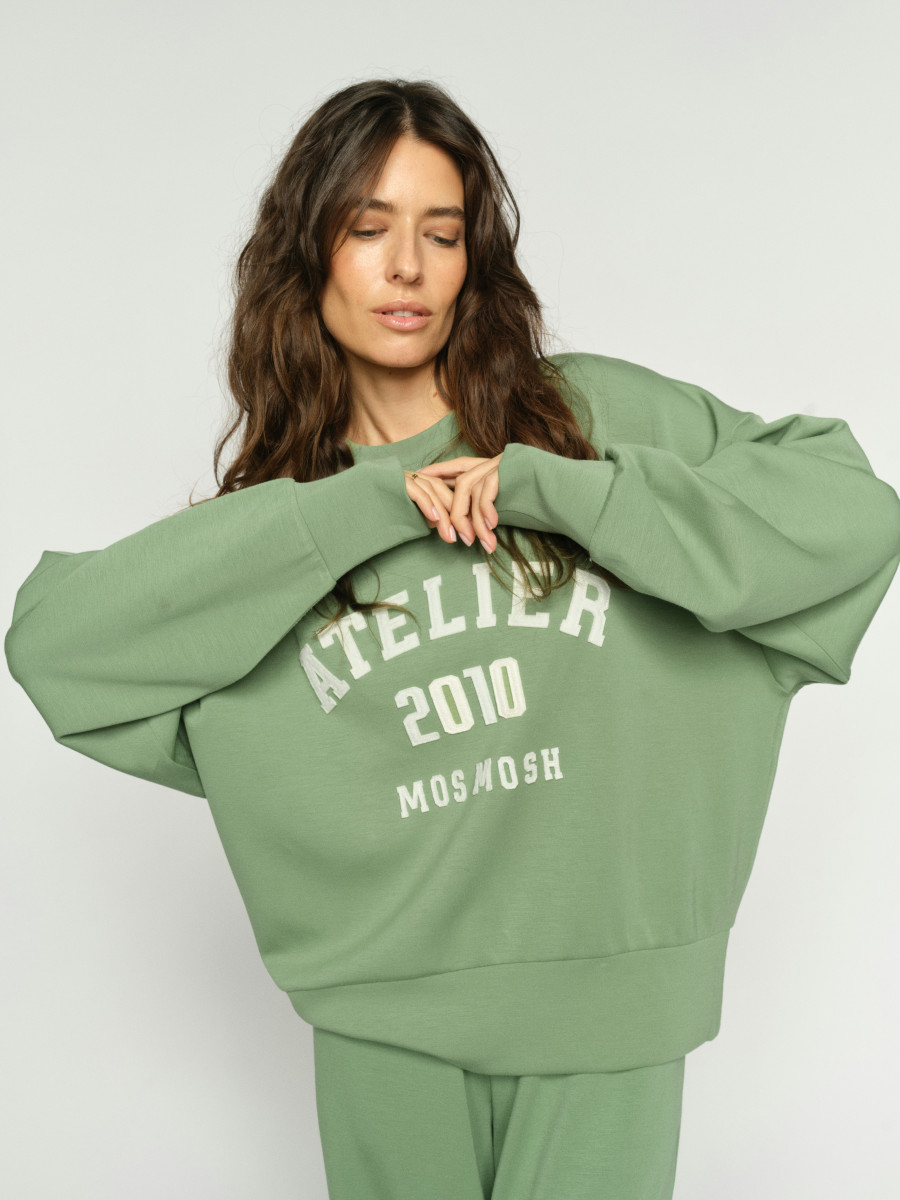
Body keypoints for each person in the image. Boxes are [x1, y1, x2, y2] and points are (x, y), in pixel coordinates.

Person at [5, 78, 900, 1200]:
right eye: (367, 228)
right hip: (383, 1020)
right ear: (308, 255)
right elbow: (56, 646)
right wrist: (364, 507)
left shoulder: (585, 422)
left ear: (475, 259)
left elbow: (849, 513)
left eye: (442, 232)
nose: (408, 268)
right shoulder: (284, 527)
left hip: (613, 1008)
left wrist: (555, 491)